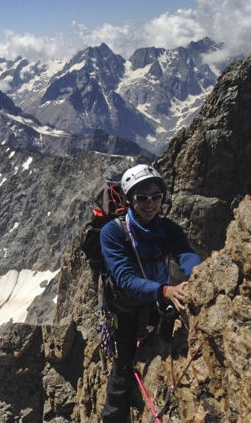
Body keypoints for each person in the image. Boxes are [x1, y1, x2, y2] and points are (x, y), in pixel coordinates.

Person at [100, 164, 201, 423]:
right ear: (130, 200)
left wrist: (200, 274)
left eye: (156, 197)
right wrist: (164, 291)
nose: (150, 204)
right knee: (123, 369)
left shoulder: (166, 228)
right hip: (125, 308)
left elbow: (185, 253)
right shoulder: (113, 232)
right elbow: (124, 279)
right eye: (142, 198)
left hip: (157, 299)